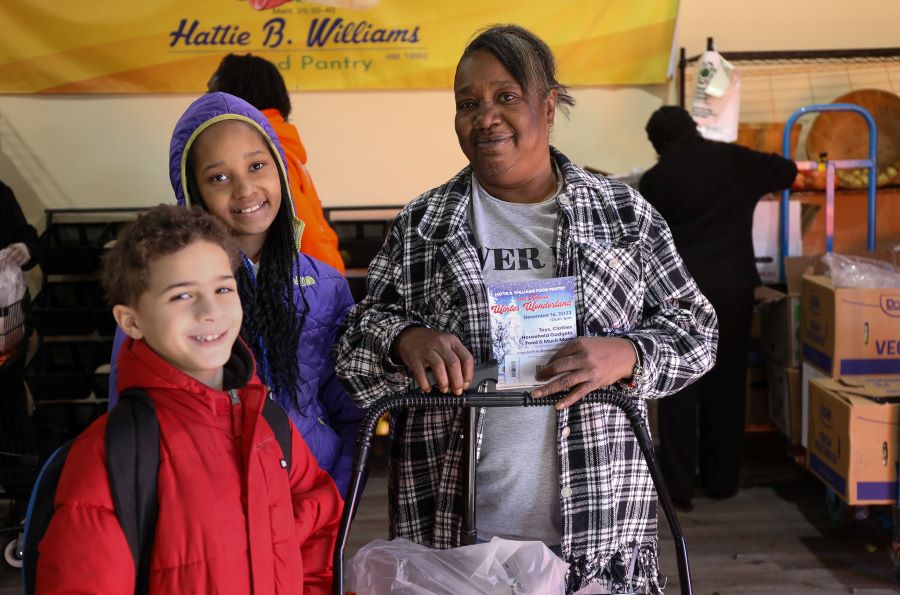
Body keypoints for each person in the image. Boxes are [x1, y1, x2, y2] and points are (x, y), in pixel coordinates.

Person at [335, 25, 718, 594]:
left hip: (599, 533)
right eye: (468, 103)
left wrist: (630, 353)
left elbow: (698, 332)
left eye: (505, 97)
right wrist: (404, 338)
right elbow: (353, 347)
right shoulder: (424, 224)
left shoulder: (622, 214)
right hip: (456, 539)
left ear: (548, 104)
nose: (484, 116)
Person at [37, 205, 341, 593]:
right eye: (182, 295)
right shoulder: (112, 454)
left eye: (223, 288)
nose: (211, 310)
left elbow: (318, 518)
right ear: (131, 321)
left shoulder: (268, 422)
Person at [109, 92, 361, 498]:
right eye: (219, 178)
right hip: (211, 504)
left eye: (257, 166)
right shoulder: (165, 292)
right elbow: (132, 409)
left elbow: (350, 412)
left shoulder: (328, 285)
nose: (246, 189)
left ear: (279, 170)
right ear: (194, 192)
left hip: (314, 501)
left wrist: (335, 497)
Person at [639, 105, 798, 511]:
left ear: (658, 143)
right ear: (693, 128)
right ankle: (722, 480)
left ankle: (678, 487)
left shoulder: (656, 181)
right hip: (732, 288)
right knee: (727, 384)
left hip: (679, 294)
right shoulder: (737, 161)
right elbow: (788, 171)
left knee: (678, 388)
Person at [208, 53, 346, 273]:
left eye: (213, 92)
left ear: (235, 95)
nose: (206, 103)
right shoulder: (279, 143)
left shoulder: (263, 150)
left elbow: (303, 233)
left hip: (309, 289)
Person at [0, 180, 41, 524]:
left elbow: (29, 239)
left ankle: (25, 506)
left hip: (5, 334)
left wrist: (24, 249)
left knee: (12, 416)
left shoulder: (0, 193)